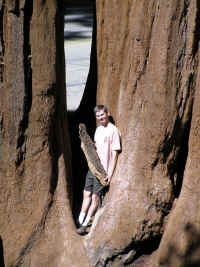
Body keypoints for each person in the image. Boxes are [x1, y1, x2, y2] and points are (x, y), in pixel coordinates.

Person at [77, 105, 121, 235]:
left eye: (102, 115)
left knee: (95, 197)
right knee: (86, 194)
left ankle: (85, 225)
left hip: (103, 172)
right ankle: (80, 219)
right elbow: (95, 148)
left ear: (108, 113)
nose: (100, 118)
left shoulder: (114, 131)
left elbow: (114, 155)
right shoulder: (98, 130)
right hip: (93, 168)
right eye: (98, 116)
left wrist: (110, 174)